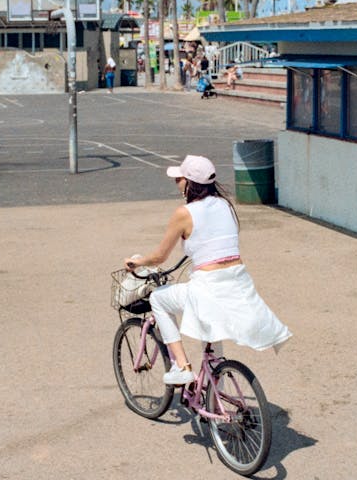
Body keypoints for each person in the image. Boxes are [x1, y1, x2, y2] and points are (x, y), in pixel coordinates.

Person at [124, 155, 292, 385]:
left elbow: (159, 257)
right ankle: (216, 396)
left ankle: (181, 366)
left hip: (209, 286)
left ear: (189, 183)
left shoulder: (184, 213)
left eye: (179, 180)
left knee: (158, 299)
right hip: (237, 284)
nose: (177, 184)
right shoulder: (225, 205)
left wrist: (138, 262)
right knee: (212, 331)